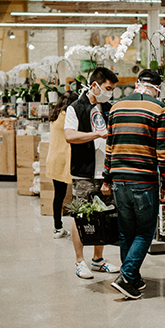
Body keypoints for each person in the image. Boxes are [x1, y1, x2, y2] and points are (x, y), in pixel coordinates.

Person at [103, 69, 165, 299]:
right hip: (143, 180)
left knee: (126, 232)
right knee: (145, 232)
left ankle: (133, 279)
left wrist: (106, 177)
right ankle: (126, 275)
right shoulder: (159, 108)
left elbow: (109, 146)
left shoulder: (116, 107)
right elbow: (163, 150)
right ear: (157, 88)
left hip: (118, 179)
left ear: (136, 84)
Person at [64, 67, 121, 279]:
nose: (110, 92)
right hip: (84, 171)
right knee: (81, 216)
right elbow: (69, 136)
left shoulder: (109, 108)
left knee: (103, 216)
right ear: (95, 85)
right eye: (107, 88)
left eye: (113, 89)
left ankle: (98, 259)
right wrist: (96, 134)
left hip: (106, 172)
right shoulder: (75, 108)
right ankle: (80, 261)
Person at [45, 91, 79, 239]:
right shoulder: (69, 117)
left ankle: (57, 228)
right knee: (77, 195)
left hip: (53, 159)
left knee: (58, 195)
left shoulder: (55, 116)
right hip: (67, 159)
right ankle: (80, 227)